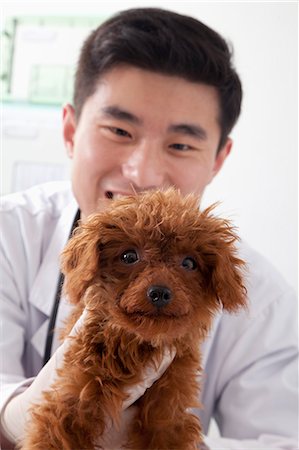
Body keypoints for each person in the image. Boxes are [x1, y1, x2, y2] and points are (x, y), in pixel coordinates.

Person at [0, 7, 297, 450]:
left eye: (180, 144)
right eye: (119, 130)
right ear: (69, 130)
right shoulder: (10, 234)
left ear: (218, 159)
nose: (143, 173)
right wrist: (15, 417)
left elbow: (282, 438)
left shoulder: (265, 299)